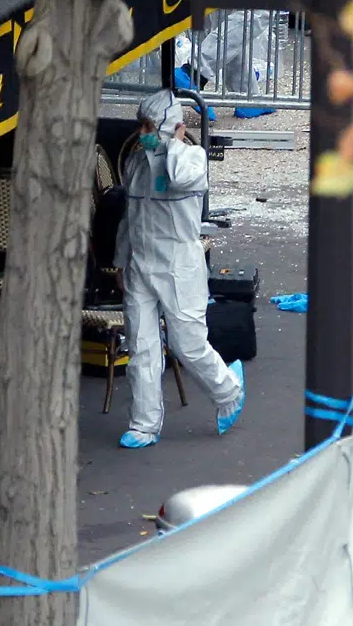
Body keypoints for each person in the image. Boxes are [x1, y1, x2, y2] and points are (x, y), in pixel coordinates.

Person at [114, 88, 244, 449]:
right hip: (142, 262)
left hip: (178, 265)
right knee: (140, 347)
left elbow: (179, 177)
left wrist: (173, 140)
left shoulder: (191, 158)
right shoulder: (136, 164)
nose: (143, 134)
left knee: (187, 345)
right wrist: (120, 262)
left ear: (173, 128)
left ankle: (228, 390)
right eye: (141, 126)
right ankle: (144, 424)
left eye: (150, 126)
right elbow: (130, 218)